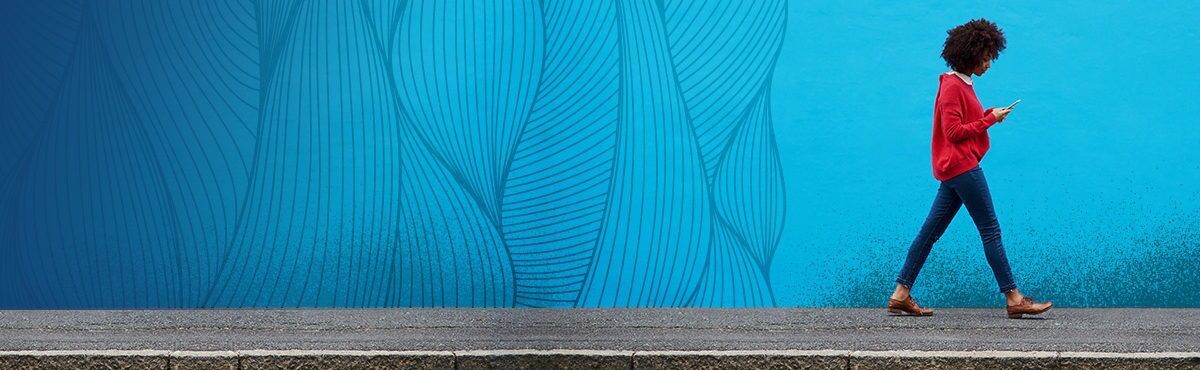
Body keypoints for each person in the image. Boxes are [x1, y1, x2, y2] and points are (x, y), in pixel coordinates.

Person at [886, 18, 1052, 319]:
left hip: (954, 170)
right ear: (971, 54)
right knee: (990, 230)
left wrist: (991, 113)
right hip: (963, 168)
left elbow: (965, 122)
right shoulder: (951, 85)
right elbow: (954, 132)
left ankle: (900, 294)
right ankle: (1014, 299)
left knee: (929, 233)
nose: (989, 64)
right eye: (986, 57)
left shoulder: (961, 83)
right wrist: (989, 120)